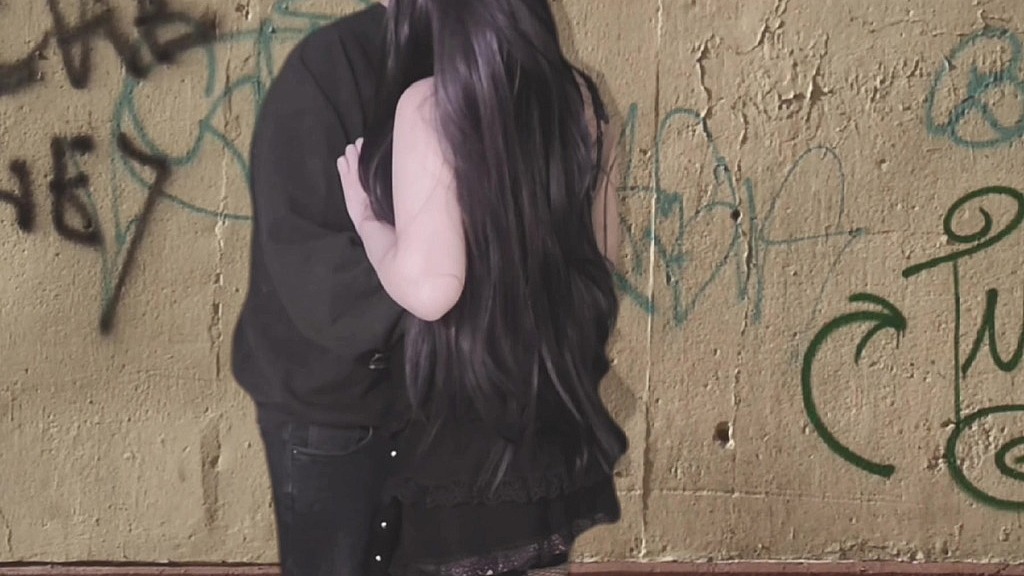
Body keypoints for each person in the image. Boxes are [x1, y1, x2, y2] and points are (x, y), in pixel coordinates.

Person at [335, 0, 628, 574]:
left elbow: (432, 290)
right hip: (547, 415)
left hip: (461, 422)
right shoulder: (576, 96)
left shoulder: (430, 105)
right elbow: (604, 255)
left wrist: (368, 222)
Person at [231, 2, 407, 576]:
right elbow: (315, 271)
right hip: (332, 412)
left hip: (438, 406)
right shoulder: (331, 70)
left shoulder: (482, 61)